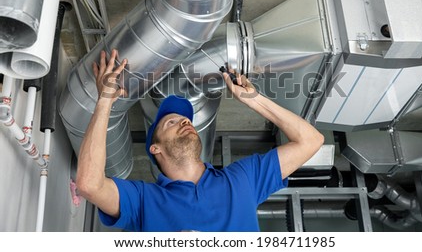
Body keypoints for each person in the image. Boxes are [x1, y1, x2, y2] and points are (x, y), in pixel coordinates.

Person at [76, 49, 324, 232]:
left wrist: (253, 99)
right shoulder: (142, 200)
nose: (185, 122)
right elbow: (89, 184)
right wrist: (105, 100)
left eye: (186, 121)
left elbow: (311, 140)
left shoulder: (242, 179)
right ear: (155, 148)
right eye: (171, 122)